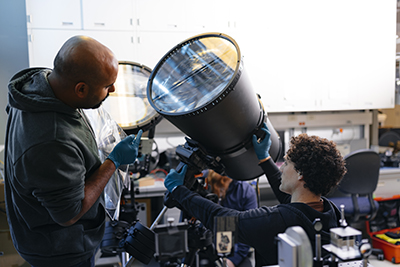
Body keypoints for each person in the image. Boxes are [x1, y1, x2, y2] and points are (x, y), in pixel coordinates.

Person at [4, 35, 143, 267]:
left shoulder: (38, 85)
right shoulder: (52, 141)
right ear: (80, 89)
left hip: (39, 237)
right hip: (59, 253)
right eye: (107, 86)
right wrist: (113, 161)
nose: (113, 89)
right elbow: (69, 213)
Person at [164, 123, 347, 266]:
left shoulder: (278, 221)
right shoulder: (329, 211)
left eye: (287, 163)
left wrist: (178, 190)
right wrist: (265, 159)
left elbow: (221, 219)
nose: (281, 168)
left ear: (301, 175)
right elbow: (292, 202)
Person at [201, 169, 257, 267]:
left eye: (222, 187)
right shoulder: (203, 184)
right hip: (205, 250)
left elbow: (249, 231)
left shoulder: (245, 191)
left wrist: (233, 260)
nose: (220, 192)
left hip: (236, 251)